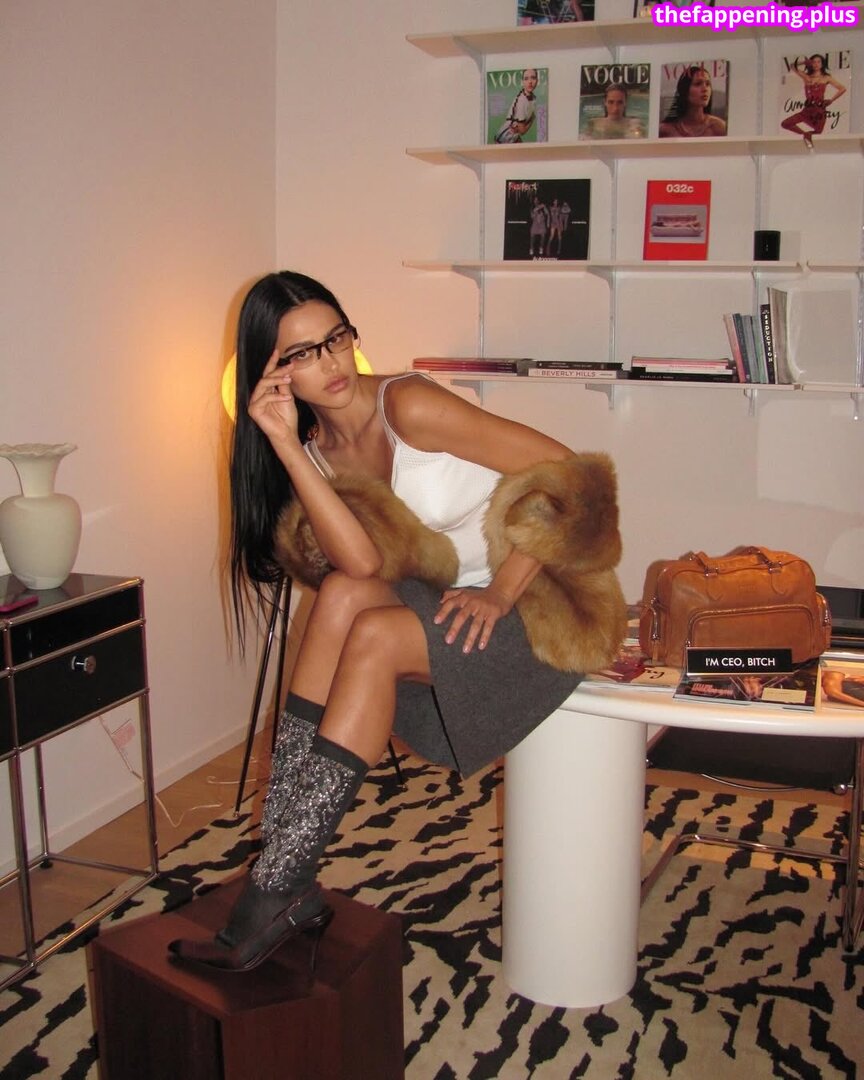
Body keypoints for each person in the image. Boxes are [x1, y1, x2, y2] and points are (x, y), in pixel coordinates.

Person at [168, 270, 626, 973]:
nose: (332, 364)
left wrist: (501, 593)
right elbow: (361, 565)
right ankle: (282, 873)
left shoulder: (407, 405)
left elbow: (573, 474)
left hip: (540, 600)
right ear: (272, 373)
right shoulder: (316, 446)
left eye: (336, 339)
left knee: (376, 634)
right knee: (341, 599)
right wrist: (286, 445)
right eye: (301, 354)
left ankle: (275, 889)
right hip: (450, 602)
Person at [780, 54, 846, 148]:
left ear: (822, 64)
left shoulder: (826, 77)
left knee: (818, 132)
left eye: (818, 62)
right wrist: (804, 62)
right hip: (808, 109)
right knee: (785, 123)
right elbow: (792, 66)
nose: (816, 64)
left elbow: (842, 88)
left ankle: (808, 136)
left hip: (819, 110)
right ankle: (805, 134)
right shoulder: (806, 77)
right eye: (814, 62)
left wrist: (831, 100)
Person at [659, 65, 727, 138]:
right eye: (698, 84)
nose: (705, 89)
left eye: (708, 84)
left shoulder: (719, 128)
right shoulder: (664, 130)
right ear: (684, 90)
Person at [494, 68, 539, 144]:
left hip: (514, 137)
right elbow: (522, 131)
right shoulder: (522, 101)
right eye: (526, 79)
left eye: (533, 78)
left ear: (537, 80)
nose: (530, 82)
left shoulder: (533, 98)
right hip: (504, 138)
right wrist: (532, 120)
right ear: (523, 82)